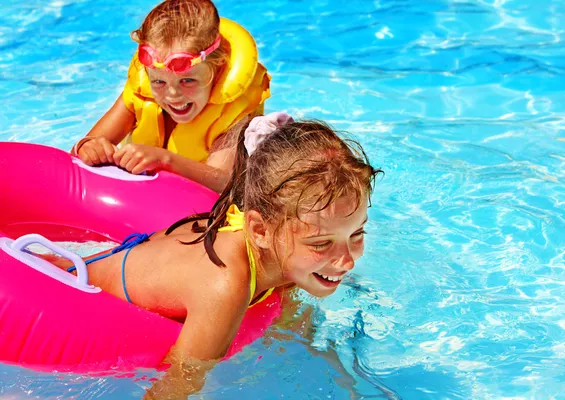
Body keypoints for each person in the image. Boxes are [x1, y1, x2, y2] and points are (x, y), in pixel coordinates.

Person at [52, 114, 381, 398]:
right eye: (322, 244)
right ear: (260, 231)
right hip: (69, 294)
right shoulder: (224, 287)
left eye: (356, 234)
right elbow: (178, 384)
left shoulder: (281, 244)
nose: (347, 261)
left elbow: (290, 316)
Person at [71, 0, 270, 192]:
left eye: (187, 81)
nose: (172, 95)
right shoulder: (141, 94)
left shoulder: (231, 112)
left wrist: (165, 160)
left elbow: (223, 181)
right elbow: (82, 148)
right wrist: (89, 147)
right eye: (159, 82)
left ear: (217, 70)